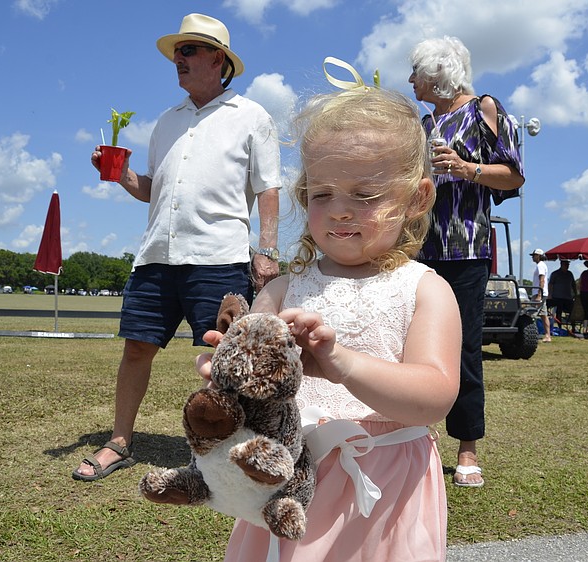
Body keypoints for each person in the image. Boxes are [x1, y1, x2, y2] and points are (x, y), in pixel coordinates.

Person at [200, 88, 460, 561]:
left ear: (417, 198)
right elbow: (253, 382)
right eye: (322, 194)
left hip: (387, 488)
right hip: (291, 479)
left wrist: (342, 364)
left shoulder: (425, 289)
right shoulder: (282, 290)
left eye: (364, 194)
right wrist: (228, 377)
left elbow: (435, 396)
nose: (340, 209)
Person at [72, 13, 282, 482]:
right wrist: (121, 175)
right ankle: (119, 442)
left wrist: (267, 250)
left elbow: (268, 187)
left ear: (218, 60)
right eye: (176, 52)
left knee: (226, 361)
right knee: (136, 349)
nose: (177, 59)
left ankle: (236, 452)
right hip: (156, 256)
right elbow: (152, 189)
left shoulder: (252, 116)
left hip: (219, 257)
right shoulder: (166, 121)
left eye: (188, 50)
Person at [408, 36, 524, 487]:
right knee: (412, 345)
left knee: (464, 348)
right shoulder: (423, 123)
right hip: (420, 249)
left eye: (416, 71)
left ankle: (467, 448)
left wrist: (464, 168)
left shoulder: (483, 110)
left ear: (437, 73)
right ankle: (415, 438)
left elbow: (513, 175)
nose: (410, 79)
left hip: (466, 250)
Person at [530, 249, 551, 342]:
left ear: (538, 256)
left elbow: (541, 280)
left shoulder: (540, 266)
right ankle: (548, 335)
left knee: (531, 314)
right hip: (542, 293)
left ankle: (531, 333)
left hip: (539, 293)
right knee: (543, 315)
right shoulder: (541, 265)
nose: (532, 257)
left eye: (534, 255)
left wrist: (539, 295)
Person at [548, 259, 577, 325]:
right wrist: (550, 294)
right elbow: (550, 284)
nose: (567, 266)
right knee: (559, 313)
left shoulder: (570, 274)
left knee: (572, 312)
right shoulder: (555, 273)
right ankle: (559, 326)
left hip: (568, 297)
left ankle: (573, 326)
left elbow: (573, 284)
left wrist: (575, 294)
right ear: (561, 264)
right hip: (557, 297)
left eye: (568, 264)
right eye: (565, 264)